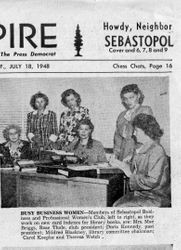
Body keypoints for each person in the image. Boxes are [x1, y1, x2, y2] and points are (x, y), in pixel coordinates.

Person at [110, 113, 171, 207]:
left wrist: (129, 173)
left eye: (136, 131)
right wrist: (120, 164)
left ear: (147, 131)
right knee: (115, 204)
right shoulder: (143, 147)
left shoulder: (157, 150)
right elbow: (137, 170)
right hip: (141, 194)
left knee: (118, 206)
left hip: (155, 197)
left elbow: (152, 181)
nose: (134, 133)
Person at [114, 84, 153, 161]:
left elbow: (146, 137)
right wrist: (115, 155)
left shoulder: (145, 110)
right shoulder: (122, 115)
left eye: (131, 97)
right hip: (123, 155)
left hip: (139, 155)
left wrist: (133, 156)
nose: (128, 101)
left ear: (138, 95)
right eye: (125, 99)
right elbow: (117, 138)